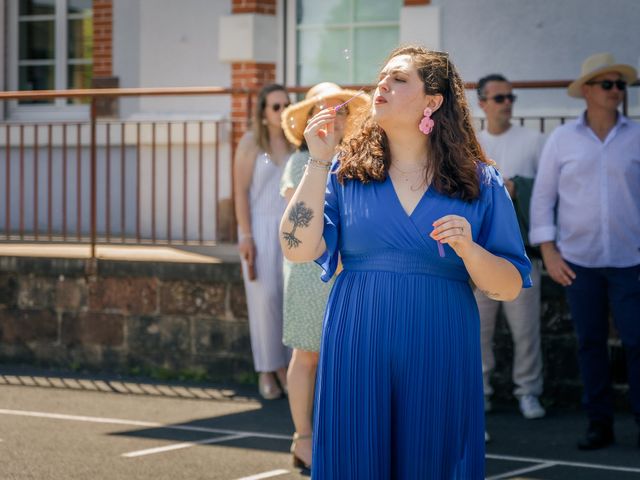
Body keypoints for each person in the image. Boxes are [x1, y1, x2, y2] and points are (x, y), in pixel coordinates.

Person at [280, 45, 531, 479]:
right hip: (357, 337)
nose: (382, 85)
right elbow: (295, 246)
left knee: (432, 460)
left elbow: (507, 286)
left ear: (433, 101)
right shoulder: (344, 172)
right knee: (356, 459)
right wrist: (319, 159)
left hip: (440, 341)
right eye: (382, 77)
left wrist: (470, 250)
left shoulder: (479, 181)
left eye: (398, 79)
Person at [530, 53, 640, 450]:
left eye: (621, 85)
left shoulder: (636, 136)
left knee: (637, 342)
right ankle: (599, 424)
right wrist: (549, 251)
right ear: (588, 91)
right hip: (578, 263)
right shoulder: (561, 140)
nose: (616, 92)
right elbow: (543, 198)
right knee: (589, 343)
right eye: (608, 84)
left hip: (631, 261)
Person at [279, 82, 369, 471]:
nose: (336, 117)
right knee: (308, 352)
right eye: (327, 110)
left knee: (343, 355)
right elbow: (298, 221)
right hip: (309, 269)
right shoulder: (301, 163)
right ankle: (304, 437)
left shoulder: (359, 161)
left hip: (349, 268)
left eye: (342, 111)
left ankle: (335, 437)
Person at [475, 74, 546, 419]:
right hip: (478, 256)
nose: (507, 103)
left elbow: (547, 191)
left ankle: (529, 392)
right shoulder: (470, 143)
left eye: (510, 97)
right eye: (499, 98)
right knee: (477, 333)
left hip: (521, 254)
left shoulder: (534, 141)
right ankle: (480, 392)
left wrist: (517, 186)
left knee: (526, 332)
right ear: (482, 103)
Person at [233, 83, 294, 400]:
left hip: (291, 229)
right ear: (262, 111)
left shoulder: (297, 143)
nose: (282, 112)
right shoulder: (250, 144)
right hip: (259, 226)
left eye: (286, 105)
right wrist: (245, 235)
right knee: (265, 299)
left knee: (287, 299)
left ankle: (287, 367)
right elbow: (240, 193)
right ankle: (268, 370)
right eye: (275, 106)